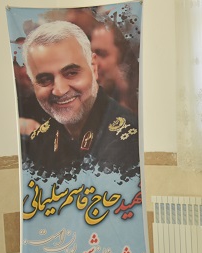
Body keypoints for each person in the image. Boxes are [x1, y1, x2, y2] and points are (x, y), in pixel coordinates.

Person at [20, 20, 139, 179]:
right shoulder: (38, 143)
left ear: (94, 68)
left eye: (71, 73)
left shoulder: (131, 141)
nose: (59, 90)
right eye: (45, 80)